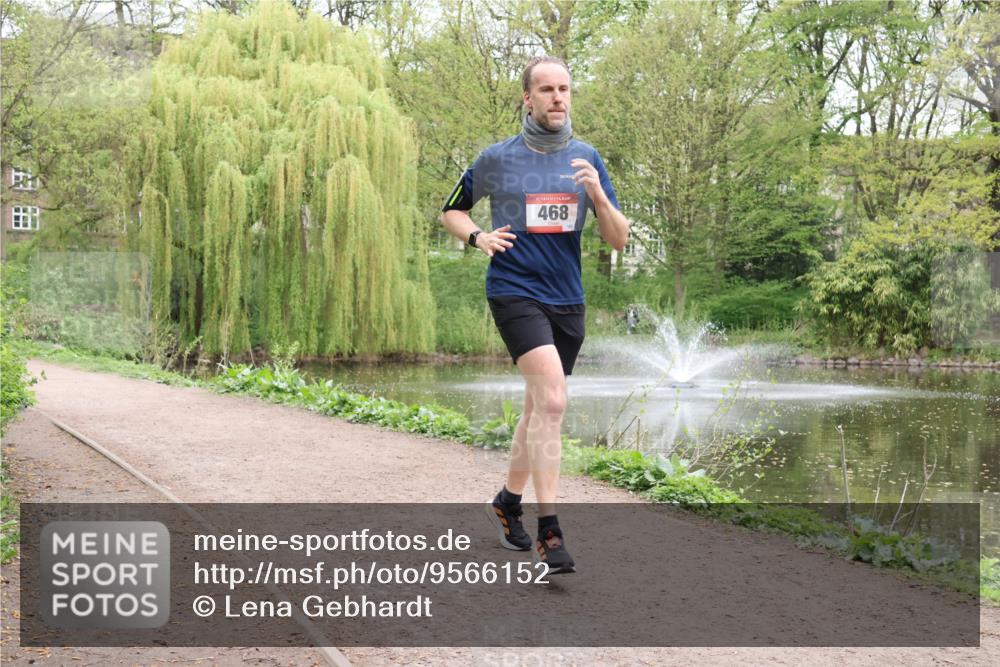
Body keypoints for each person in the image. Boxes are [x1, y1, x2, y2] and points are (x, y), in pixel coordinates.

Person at [440, 55, 629, 574]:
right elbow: (450, 208)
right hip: (514, 290)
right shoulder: (497, 158)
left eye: (564, 89)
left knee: (537, 410)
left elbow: (618, 238)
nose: (557, 98)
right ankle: (550, 530)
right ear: (527, 98)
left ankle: (506, 501)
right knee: (553, 399)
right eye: (546, 89)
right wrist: (478, 236)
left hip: (567, 299)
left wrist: (597, 194)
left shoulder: (587, 158)